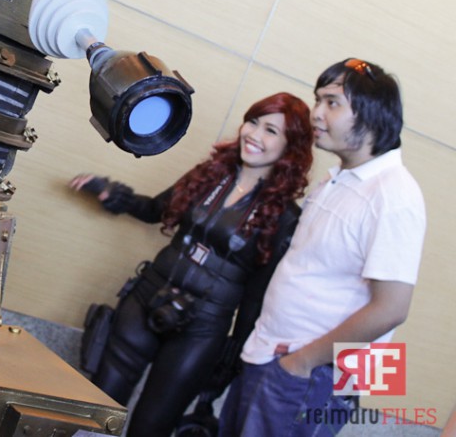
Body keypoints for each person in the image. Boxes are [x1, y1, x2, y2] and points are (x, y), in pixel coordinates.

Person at [71, 92, 314, 437]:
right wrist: (111, 193)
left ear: (291, 147)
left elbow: (256, 296)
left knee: (153, 425)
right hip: (148, 296)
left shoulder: (285, 217)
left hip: (202, 327)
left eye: (271, 131)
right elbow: (155, 210)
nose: (255, 135)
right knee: (99, 407)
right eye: (253, 122)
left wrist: (234, 355)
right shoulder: (211, 174)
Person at [218, 59, 426, 436]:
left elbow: (393, 309)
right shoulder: (336, 179)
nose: (316, 113)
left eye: (332, 102)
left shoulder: (396, 194)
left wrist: (302, 363)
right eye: (318, 100)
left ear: (372, 114)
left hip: (312, 376)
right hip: (272, 357)